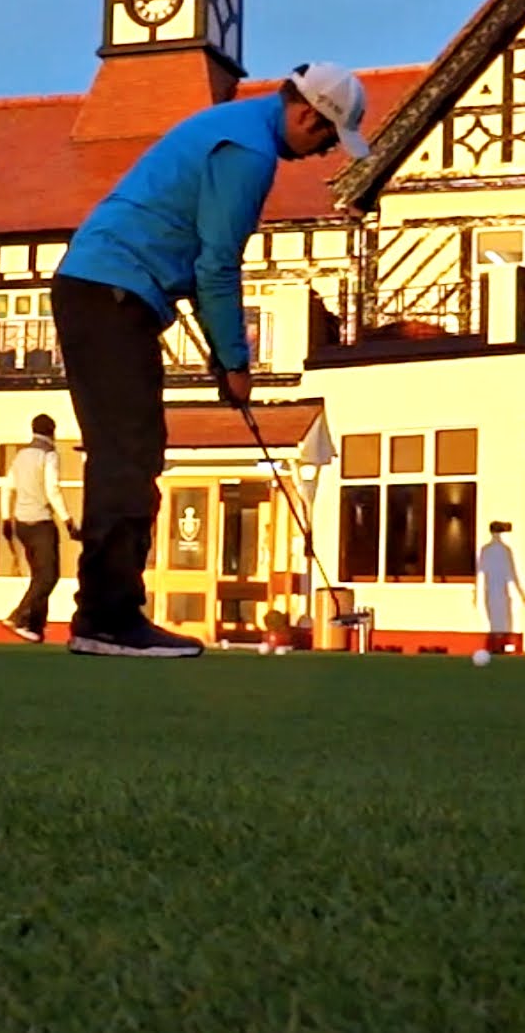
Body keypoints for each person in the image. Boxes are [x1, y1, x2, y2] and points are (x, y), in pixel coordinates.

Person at [52, 62, 371, 657]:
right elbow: (217, 265)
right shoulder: (250, 153)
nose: (326, 152)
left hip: (104, 289)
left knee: (128, 452)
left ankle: (103, 616)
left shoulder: (235, 125)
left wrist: (225, 360)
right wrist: (236, 364)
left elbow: (201, 265)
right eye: (329, 139)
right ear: (308, 115)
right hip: (110, 291)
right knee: (128, 456)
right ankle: (107, 620)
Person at [0, 413, 79, 643]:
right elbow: (52, 490)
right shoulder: (49, 454)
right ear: (52, 431)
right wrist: (67, 521)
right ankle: (18, 616)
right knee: (49, 577)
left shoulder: (21, 455)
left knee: (39, 577)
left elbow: (7, 487)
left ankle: (34, 628)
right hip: (41, 523)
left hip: (21, 524)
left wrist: (6, 519)